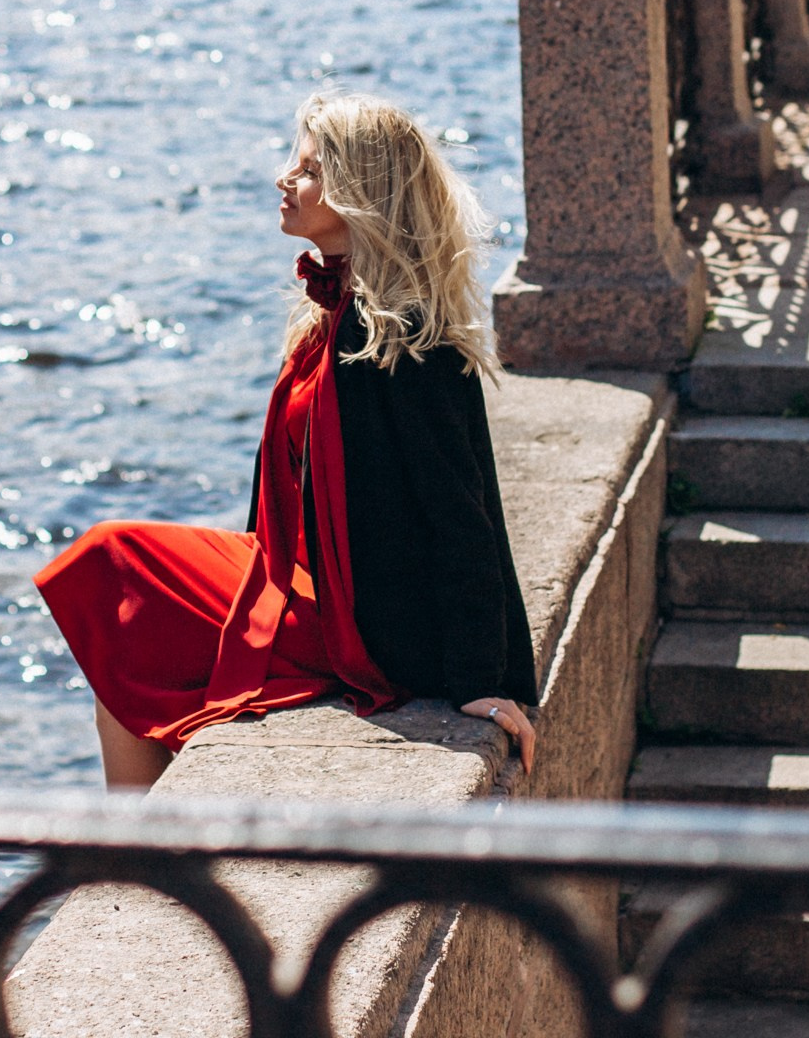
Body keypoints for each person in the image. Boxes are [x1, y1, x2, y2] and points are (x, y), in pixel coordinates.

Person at [34, 92, 538, 788]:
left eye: (307, 171)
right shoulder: (328, 317)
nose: (284, 179)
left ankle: (141, 848)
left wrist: (482, 681)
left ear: (359, 193)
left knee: (112, 562)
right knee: (116, 637)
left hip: (366, 623)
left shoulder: (409, 341)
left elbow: (462, 518)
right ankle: (139, 846)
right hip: (301, 579)